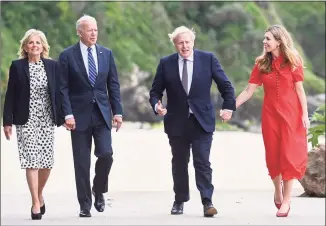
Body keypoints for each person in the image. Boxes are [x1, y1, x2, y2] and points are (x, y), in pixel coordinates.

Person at [149, 26, 236, 217]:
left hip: (202, 121)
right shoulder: (166, 63)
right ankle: (179, 200)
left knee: (202, 161)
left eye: (187, 42)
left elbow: (226, 87)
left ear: (193, 42)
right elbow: (155, 92)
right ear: (175, 44)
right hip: (176, 122)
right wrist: (157, 105)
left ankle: (207, 201)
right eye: (180, 42)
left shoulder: (208, 59)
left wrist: (228, 107)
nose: (184, 46)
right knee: (179, 162)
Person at [229, 24, 309, 217]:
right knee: (273, 156)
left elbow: (300, 90)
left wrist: (305, 114)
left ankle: (287, 201)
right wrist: (231, 106)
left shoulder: (293, 61)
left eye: (268, 39)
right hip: (270, 117)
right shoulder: (261, 64)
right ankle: (278, 190)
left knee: (289, 157)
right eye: (264, 39)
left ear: (279, 41)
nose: (264, 42)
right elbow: (249, 91)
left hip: (291, 116)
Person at [58, 15, 123, 218]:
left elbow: (113, 84)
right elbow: (62, 88)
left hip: (102, 114)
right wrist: (67, 114)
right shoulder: (67, 55)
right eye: (89, 30)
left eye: (95, 29)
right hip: (77, 116)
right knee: (81, 162)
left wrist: (118, 111)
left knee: (106, 154)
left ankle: (98, 189)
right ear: (79, 32)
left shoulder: (106, 53)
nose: (94, 33)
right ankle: (84, 204)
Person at [2, 29, 64, 220]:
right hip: (25, 120)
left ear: (43, 46)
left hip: (46, 119)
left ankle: (39, 194)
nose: (34, 46)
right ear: (25, 47)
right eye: (31, 43)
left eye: (38, 43)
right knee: (32, 161)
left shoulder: (53, 66)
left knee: (47, 163)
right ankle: (35, 203)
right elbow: (10, 95)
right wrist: (7, 121)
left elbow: (60, 93)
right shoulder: (17, 66)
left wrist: (66, 116)